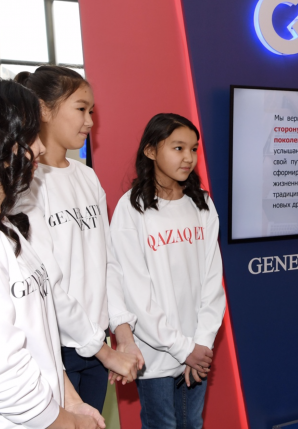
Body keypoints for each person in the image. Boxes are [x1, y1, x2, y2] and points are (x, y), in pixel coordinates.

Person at [0, 77, 105, 428]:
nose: (39, 148)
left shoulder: (5, 226)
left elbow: (36, 338)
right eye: (28, 136)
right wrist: (66, 422)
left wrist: (72, 401)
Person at [14, 66, 144, 412]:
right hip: (55, 349)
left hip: (96, 347)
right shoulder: (25, 184)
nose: (90, 121)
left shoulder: (87, 178)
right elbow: (47, 282)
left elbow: (108, 263)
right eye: (81, 109)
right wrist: (104, 351)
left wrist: (123, 336)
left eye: (92, 111)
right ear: (44, 109)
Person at [109, 113, 226, 429]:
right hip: (155, 353)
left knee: (192, 423)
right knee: (162, 425)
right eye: (178, 148)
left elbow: (212, 281)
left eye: (193, 149)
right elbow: (135, 293)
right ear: (150, 151)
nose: (188, 157)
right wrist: (182, 348)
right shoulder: (131, 209)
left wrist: (201, 343)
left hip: (197, 347)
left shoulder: (202, 204)